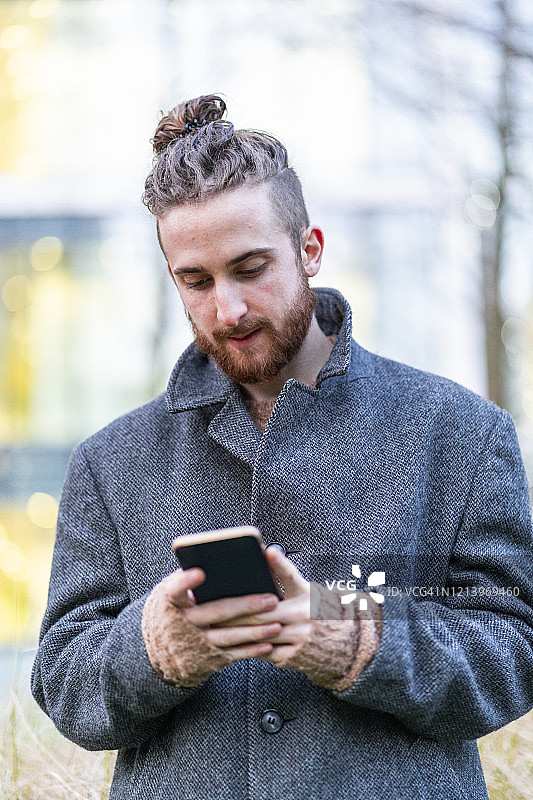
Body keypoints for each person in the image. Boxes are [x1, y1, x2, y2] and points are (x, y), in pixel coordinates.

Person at [32, 94, 533, 800]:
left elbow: (512, 654)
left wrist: (347, 636)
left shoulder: (458, 433)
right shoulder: (109, 463)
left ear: (309, 249)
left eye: (249, 268)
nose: (226, 309)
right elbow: (62, 681)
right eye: (196, 281)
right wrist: (155, 647)